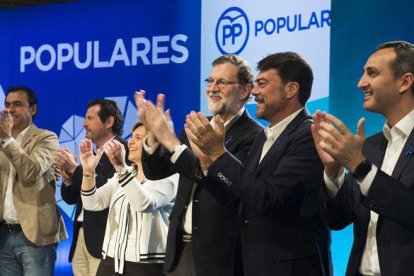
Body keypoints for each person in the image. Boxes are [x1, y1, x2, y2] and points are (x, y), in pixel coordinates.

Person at [185, 52, 332, 275]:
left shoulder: (308, 135)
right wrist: (208, 162)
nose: (254, 92)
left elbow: (270, 199)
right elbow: (241, 198)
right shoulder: (266, 136)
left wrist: (218, 154)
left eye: (262, 84)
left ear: (291, 89)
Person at [137, 54, 263, 276]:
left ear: (244, 91)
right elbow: (157, 171)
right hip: (179, 250)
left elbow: (219, 181)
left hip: (218, 257)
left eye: (222, 82)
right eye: (210, 81)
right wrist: (153, 137)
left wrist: (170, 140)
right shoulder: (196, 126)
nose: (212, 88)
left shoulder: (254, 136)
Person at [312, 41, 414, 276]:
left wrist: (360, 168)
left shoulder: (361, 159)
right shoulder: (370, 146)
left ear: (405, 82)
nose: (361, 83)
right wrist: (333, 172)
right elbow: (338, 220)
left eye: (372, 73)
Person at [80, 122, 178, 275]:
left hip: (145, 266)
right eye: (132, 137)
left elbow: (144, 204)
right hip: (111, 261)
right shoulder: (125, 174)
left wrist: (120, 167)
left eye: (138, 138)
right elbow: (92, 203)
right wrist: (88, 171)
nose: (130, 142)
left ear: (155, 144)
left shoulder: (170, 177)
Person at [54, 99, 128, 276]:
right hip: (81, 237)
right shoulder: (92, 154)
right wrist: (68, 178)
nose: (84, 123)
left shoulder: (123, 151)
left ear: (109, 122)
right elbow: (71, 199)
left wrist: (75, 169)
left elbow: (106, 190)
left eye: (89, 118)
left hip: (104, 241)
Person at [0, 86, 67, 275]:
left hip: (34, 236)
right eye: (7, 105)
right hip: (4, 236)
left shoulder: (46, 138)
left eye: (17, 104)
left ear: (33, 109)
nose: (10, 109)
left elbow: (31, 170)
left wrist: (6, 140)